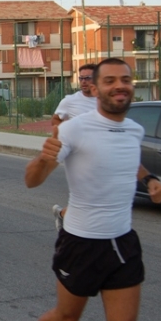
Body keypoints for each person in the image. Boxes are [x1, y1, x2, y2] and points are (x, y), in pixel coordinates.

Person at [19, 58, 161, 321]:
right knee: (67, 319)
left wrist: (149, 179)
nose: (119, 86)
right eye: (109, 80)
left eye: (124, 79)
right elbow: (32, 181)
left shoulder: (134, 130)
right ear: (96, 89)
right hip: (81, 244)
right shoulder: (74, 129)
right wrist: (43, 158)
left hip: (123, 242)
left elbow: (126, 157)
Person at [50, 63, 97, 231]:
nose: (83, 81)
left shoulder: (104, 100)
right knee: (88, 195)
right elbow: (55, 120)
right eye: (81, 78)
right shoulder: (70, 101)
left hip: (99, 155)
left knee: (93, 197)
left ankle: (62, 214)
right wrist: (66, 129)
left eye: (88, 78)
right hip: (77, 156)